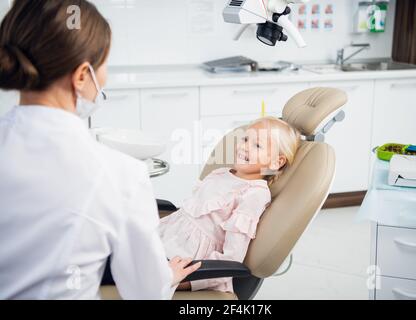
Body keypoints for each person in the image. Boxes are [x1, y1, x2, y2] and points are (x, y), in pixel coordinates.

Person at [0, 0, 199, 300]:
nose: (104, 77)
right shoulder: (122, 174)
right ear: (81, 76)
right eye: (104, 63)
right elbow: (146, 294)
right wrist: (166, 277)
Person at [159, 117, 301, 292]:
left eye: (257, 145)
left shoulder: (254, 194)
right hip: (168, 238)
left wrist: (183, 282)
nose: (244, 146)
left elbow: (232, 256)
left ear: (276, 162)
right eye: (246, 139)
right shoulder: (221, 173)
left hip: (189, 261)